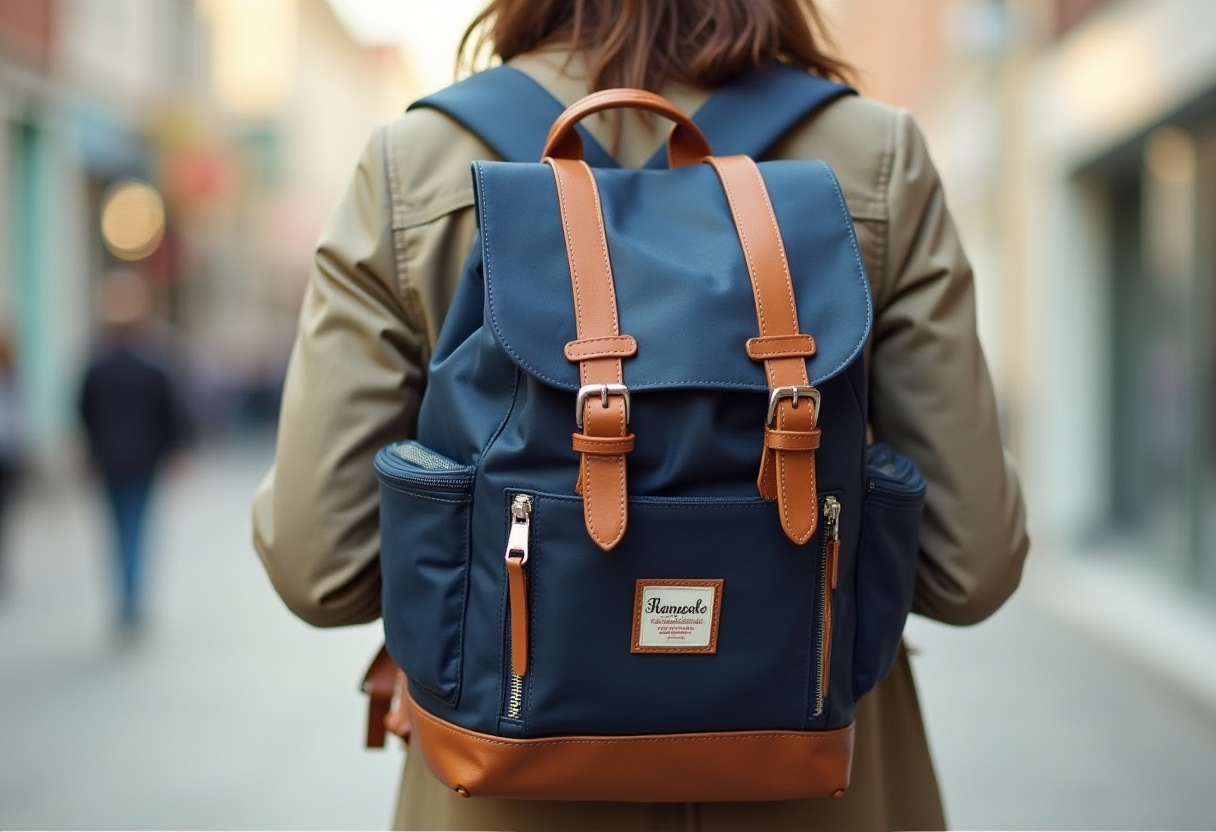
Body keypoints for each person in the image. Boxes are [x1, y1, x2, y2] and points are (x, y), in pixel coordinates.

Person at [253, 1, 1030, 829]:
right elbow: (969, 566)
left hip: (506, 775)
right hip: (813, 777)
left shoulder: (415, 165)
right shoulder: (875, 160)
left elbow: (321, 568)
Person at [79, 271, 189, 632]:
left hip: (110, 459)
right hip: (144, 459)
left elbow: (83, 413)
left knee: (116, 529)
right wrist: (175, 452)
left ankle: (125, 597)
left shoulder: (97, 365)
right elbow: (171, 413)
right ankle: (132, 597)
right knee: (136, 527)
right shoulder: (153, 365)